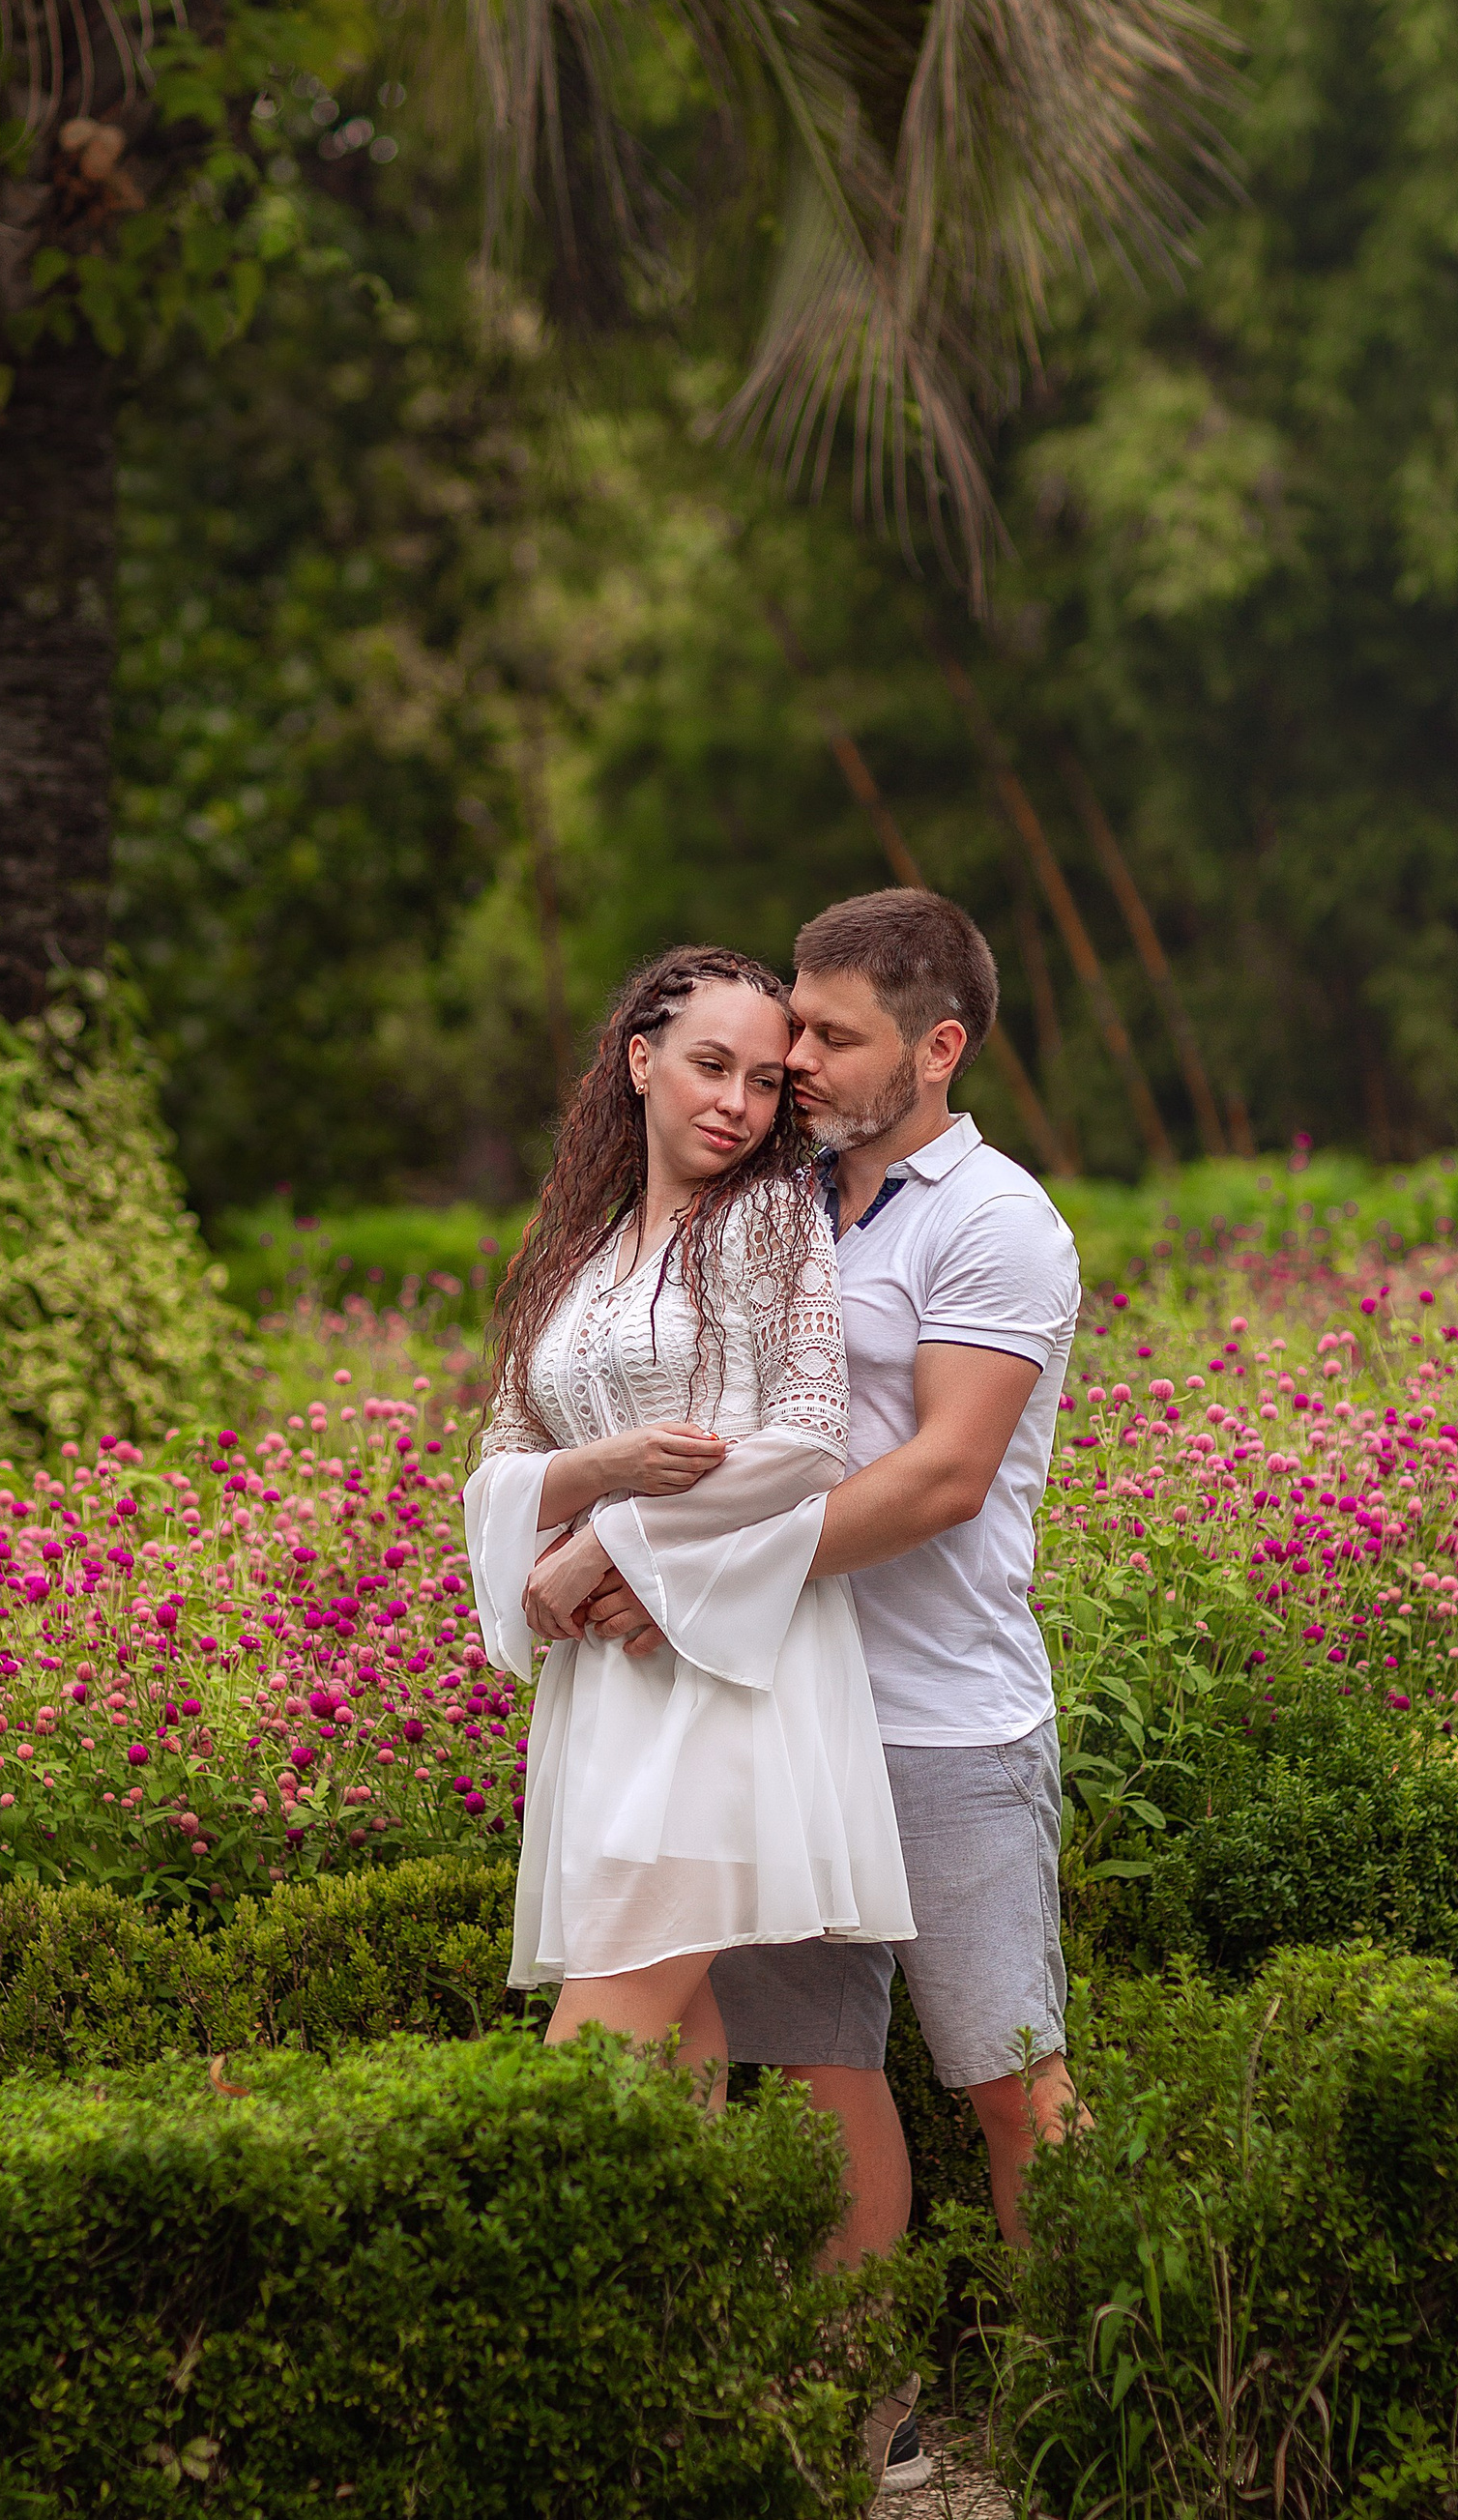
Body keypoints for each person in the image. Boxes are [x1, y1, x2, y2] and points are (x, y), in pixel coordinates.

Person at [580, 889, 1079, 2491]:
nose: (795, 1054)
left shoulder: (995, 1220)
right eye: (795, 1018)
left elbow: (942, 1474)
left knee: (1009, 2088)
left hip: (946, 1724)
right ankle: (864, 2409)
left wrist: (708, 1576)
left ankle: (1101, 2398)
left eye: (833, 1031)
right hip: (786, 1715)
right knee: (815, 2081)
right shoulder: (781, 1197)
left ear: (937, 1049)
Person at [463, 944, 912, 2087]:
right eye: (711, 1066)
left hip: (723, 1673)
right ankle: (691, 2268)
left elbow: (810, 1441)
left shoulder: (768, 1223)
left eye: (764, 1082)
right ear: (637, 1058)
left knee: (597, 2046)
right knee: (674, 2041)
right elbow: (501, 1465)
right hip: (608, 1685)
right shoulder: (571, 1255)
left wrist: (609, 1537)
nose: (736, 1103)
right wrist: (601, 1468)